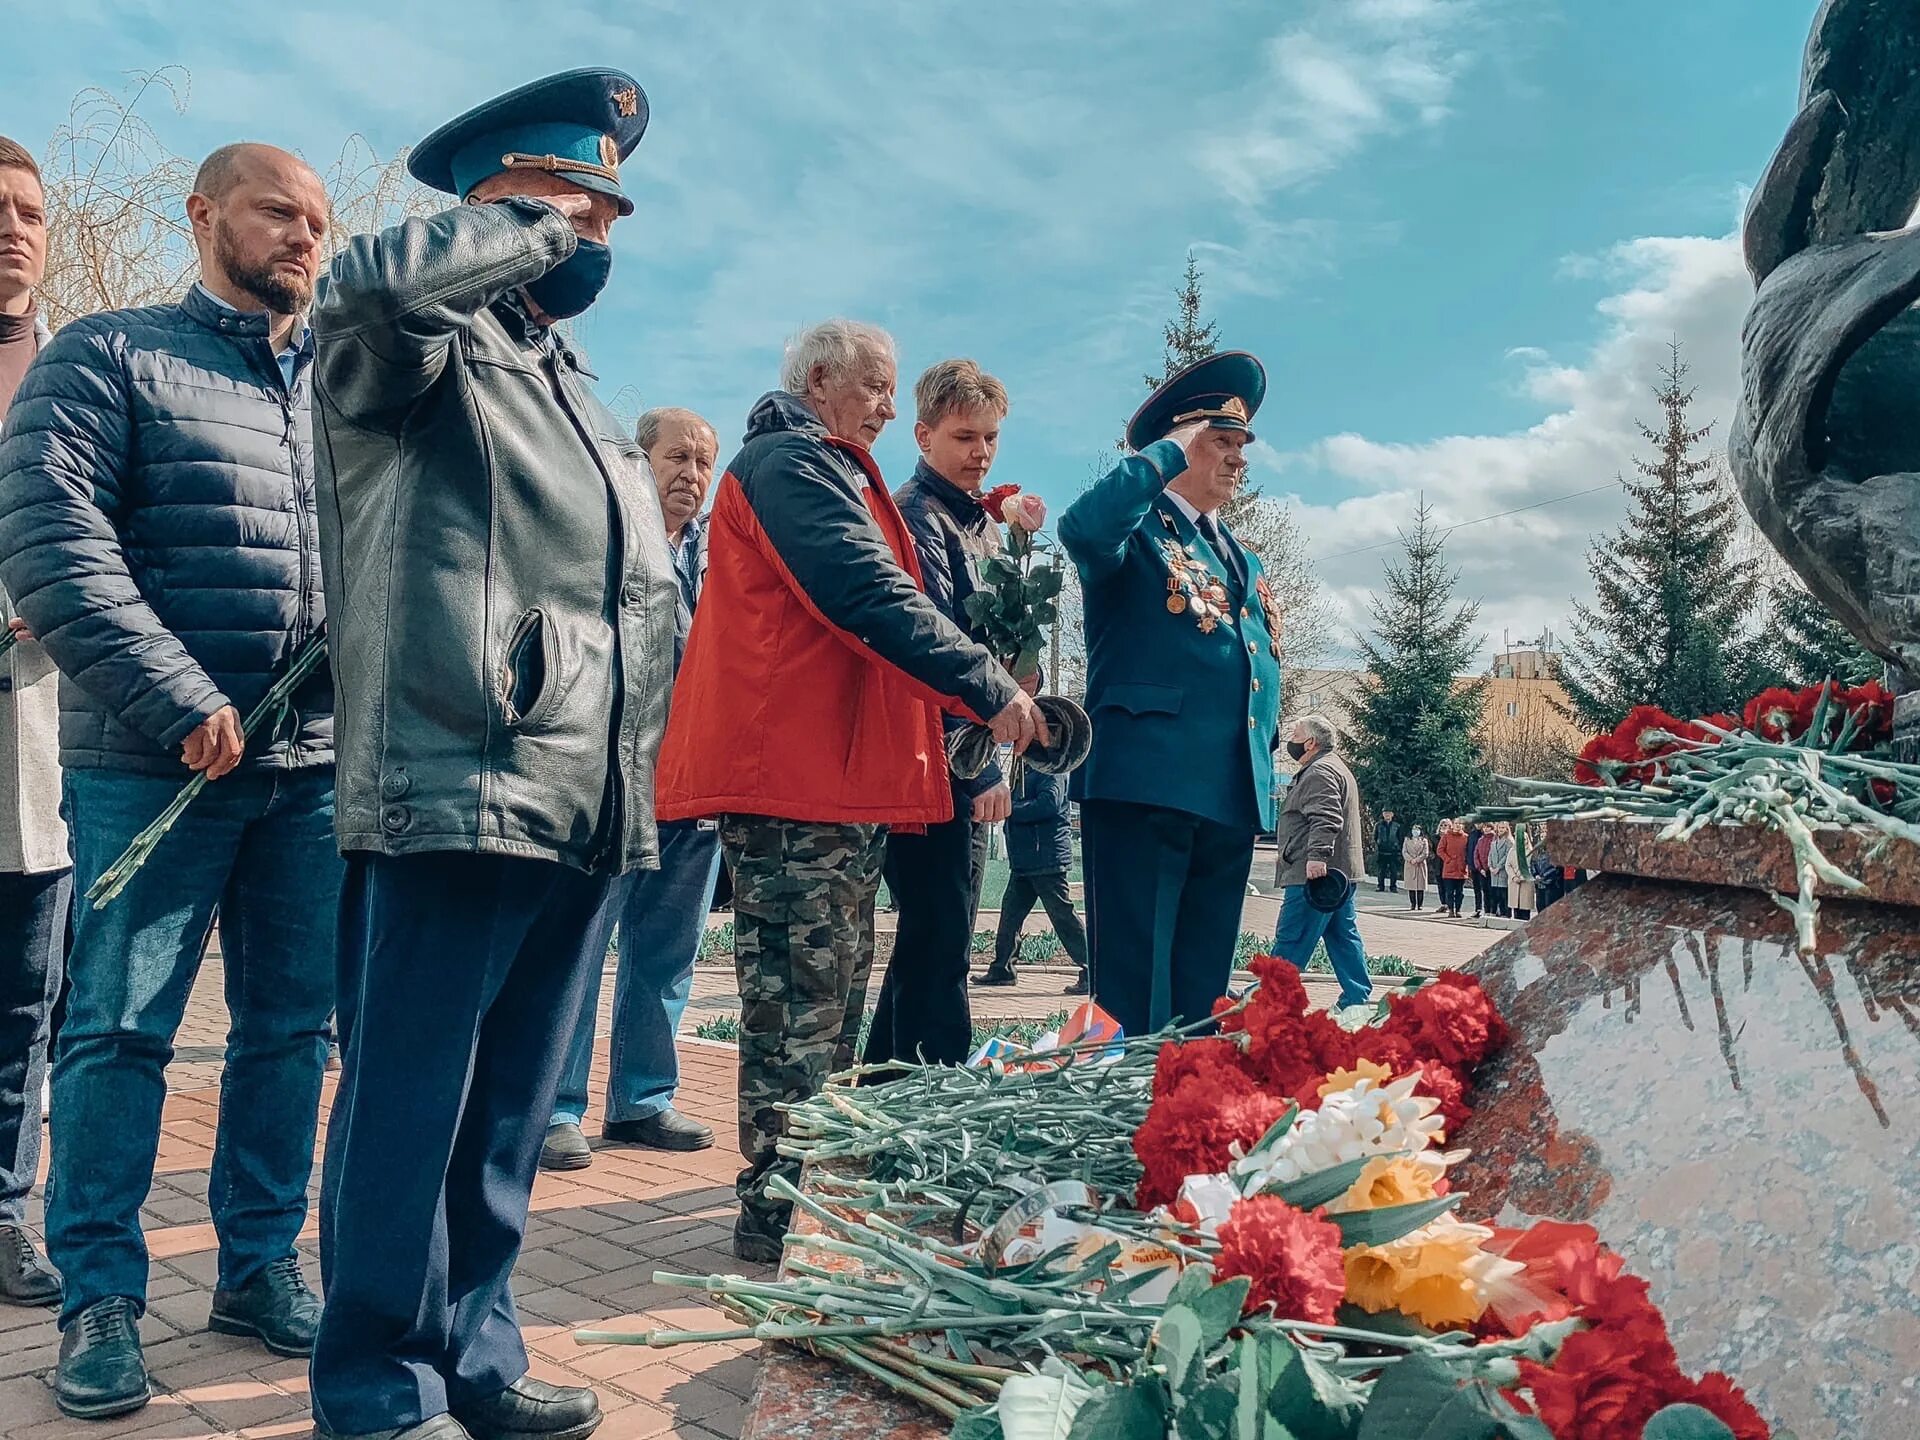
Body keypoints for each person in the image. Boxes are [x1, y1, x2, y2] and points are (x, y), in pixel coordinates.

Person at [306, 70, 677, 1440]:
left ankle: (481, 1354)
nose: (594, 234)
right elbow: (372, 291)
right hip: (460, 776)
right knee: (413, 1107)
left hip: (581, 791)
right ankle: (379, 1385)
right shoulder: (416, 354)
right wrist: (527, 225)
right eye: (569, 202)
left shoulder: (563, 376)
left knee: (512, 1114)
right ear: (498, 204)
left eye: (605, 211)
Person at [0, 142, 340, 1420]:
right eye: (276, 212)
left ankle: (259, 1266)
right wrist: (175, 696)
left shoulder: (338, 395)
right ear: (202, 217)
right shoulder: (110, 357)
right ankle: (99, 1298)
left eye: (318, 221)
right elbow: (50, 539)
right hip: (155, 768)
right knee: (117, 1034)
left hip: (307, 773)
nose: (303, 236)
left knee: (290, 1036)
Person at [654, 318, 1044, 1262]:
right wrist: (986, 685)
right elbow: (865, 591)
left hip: (828, 780)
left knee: (827, 1007)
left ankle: (808, 1191)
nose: (883, 404)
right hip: (790, 779)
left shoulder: (819, 465)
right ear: (822, 379)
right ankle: (779, 1206)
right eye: (875, 386)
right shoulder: (788, 463)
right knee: (797, 1007)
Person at [1060, 352, 1282, 1038]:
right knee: (1134, 990)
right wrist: (1163, 455)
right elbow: (1082, 528)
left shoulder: (1242, 558)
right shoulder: (1138, 529)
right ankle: (1123, 1131)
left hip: (1225, 792)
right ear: (1180, 443)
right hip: (1145, 787)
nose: (1238, 458)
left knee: (1200, 996)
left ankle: (1186, 1126)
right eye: (1221, 441)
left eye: (1242, 444)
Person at [541, 408, 725, 1172]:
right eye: (677, 456)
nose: (691, 473)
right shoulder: (604, 538)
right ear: (637, 460)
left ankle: (643, 1100)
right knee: (580, 947)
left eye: (705, 462)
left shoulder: (723, 557)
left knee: (668, 951)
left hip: (696, 788)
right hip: (615, 779)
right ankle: (553, 1107)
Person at [869, 359, 1019, 1037]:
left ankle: (880, 1091)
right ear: (924, 435)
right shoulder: (916, 516)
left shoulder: (981, 526)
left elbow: (1000, 645)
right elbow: (936, 642)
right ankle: (936, 1095)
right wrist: (986, 764)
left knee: (932, 937)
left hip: (960, 754)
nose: (981, 453)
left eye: (989, 437)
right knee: (940, 938)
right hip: (924, 759)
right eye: (964, 437)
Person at [0, 134, 64, 1312]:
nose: (14, 227)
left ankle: (7, 1213)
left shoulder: (87, 372)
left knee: (25, 995)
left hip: (45, 733)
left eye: (29, 210)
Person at [1270, 716, 1371, 1016]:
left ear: (1311, 743)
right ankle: (1356, 997)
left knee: (1292, 938)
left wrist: (1317, 856)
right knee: (1342, 936)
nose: (1292, 737)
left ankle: (1268, 1000)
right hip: (1337, 873)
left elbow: (1326, 817)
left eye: (1297, 733)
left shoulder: (1320, 770)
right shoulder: (1334, 766)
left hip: (1314, 873)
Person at [990, 764, 1090, 993]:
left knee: (1062, 916)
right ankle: (1002, 969)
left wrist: (1011, 810)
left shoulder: (1051, 770)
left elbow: (1049, 804)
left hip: (1046, 858)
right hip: (1027, 859)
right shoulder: (1027, 770)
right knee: (1010, 914)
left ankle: (1091, 970)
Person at [1436, 820, 1469, 917]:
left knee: (1459, 892)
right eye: (1456, 824)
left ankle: (1458, 910)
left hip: (1461, 869)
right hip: (1449, 868)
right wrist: (1447, 859)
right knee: (1449, 891)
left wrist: (1465, 862)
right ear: (1453, 825)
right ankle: (1450, 909)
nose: (1458, 825)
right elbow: (1440, 850)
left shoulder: (1466, 837)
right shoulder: (1446, 836)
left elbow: (1469, 851)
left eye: (1460, 824)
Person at [1508, 822, 1538, 921]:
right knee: (1516, 908)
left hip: (1526, 882)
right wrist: (1514, 877)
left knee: (1525, 909)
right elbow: (1508, 865)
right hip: (1514, 882)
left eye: (1524, 839)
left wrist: (1522, 876)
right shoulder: (1512, 851)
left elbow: (1531, 866)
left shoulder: (1530, 852)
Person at [1373, 808, 1405, 892]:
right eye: (1385, 813)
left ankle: (1393, 886)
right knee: (1381, 870)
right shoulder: (1378, 825)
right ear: (1383, 814)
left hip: (1393, 851)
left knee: (1393, 870)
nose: (1387, 815)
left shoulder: (1397, 826)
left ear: (1392, 814)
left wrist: (1397, 847)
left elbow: (1400, 838)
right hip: (1381, 851)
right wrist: (1378, 844)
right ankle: (1380, 886)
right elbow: (1375, 837)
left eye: (1389, 813)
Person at [1487, 822, 1513, 918]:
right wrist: (1490, 867)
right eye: (1499, 827)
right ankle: (1493, 912)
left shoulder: (1509, 842)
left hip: (1503, 871)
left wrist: (1498, 867)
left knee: (1503, 894)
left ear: (1507, 829)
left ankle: (1505, 913)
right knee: (1494, 893)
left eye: (1503, 828)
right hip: (1493, 872)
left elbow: (1507, 856)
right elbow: (1490, 855)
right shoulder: (1494, 842)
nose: (1501, 830)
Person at [1400, 825, 1429, 913]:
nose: (1415, 831)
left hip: (1420, 865)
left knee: (1420, 886)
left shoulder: (1424, 840)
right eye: (1414, 829)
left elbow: (1425, 853)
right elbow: (1404, 851)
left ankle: (1420, 905)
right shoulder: (1407, 840)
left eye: (1417, 830)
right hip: (1410, 864)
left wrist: (1417, 859)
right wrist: (1410, 859)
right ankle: (1413, 904)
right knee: (1411, 886)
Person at [1468, 821, 1493, 919]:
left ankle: (1489, 910)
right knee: (1477, 890)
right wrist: (1471, 864)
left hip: (1487, 868)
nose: (1478, 825)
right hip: (1475, 866)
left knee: (1488, 890)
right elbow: (1472, 852)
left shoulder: (1489, 837)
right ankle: (1478, 909)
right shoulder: (1472, 835)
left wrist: (1485, 867)